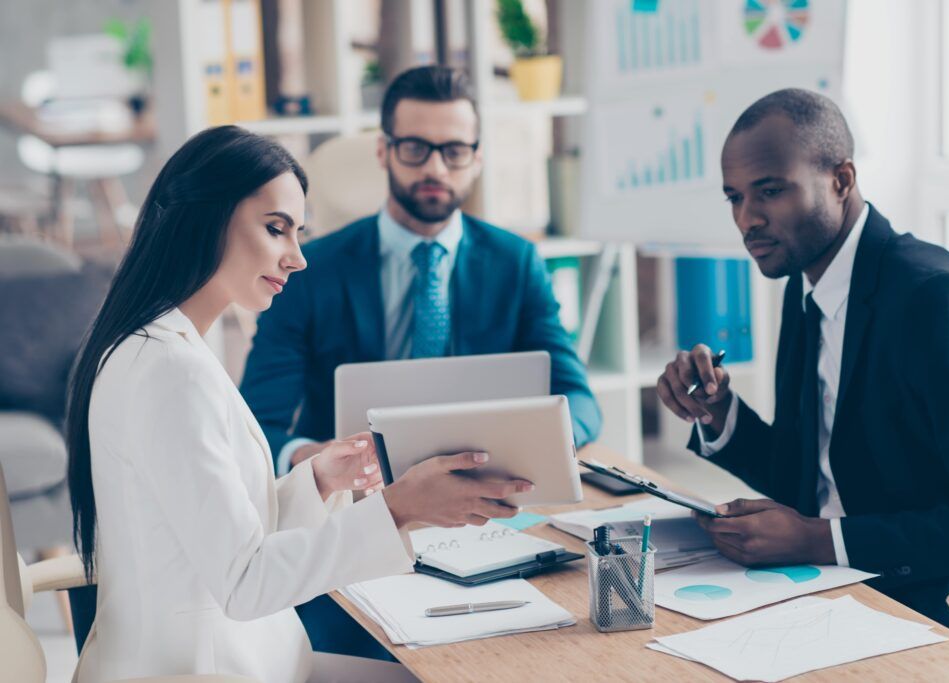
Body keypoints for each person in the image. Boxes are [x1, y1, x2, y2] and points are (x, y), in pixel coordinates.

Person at [65, 125, 534, 682]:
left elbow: (207, 530)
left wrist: (318, 480)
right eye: (275, 229)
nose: (297, 258)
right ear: (205, 218)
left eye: (298, 233)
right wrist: (400, 509)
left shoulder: (156, 347)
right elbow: (244, 582)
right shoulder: (170, 370)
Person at [239, 65, 601, 655]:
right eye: (416, 148)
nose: (435, 167)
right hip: (357, 518)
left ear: (476, 159)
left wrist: (541, 444)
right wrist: (311, 458)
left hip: (488, 520)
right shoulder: (309, 268)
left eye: (454, 151)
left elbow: (578, 399)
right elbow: (257, 416)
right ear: (384, 150)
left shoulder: (516, 262)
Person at [657, 88, 949, 661]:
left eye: (770, 191)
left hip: (933, 608)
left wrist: (819, 539)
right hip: (826, 589)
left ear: (841, 180)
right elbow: (811, 475)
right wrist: (720, 414)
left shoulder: (937, 303)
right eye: (734, 198)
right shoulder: (808, 282)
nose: (747, 220)